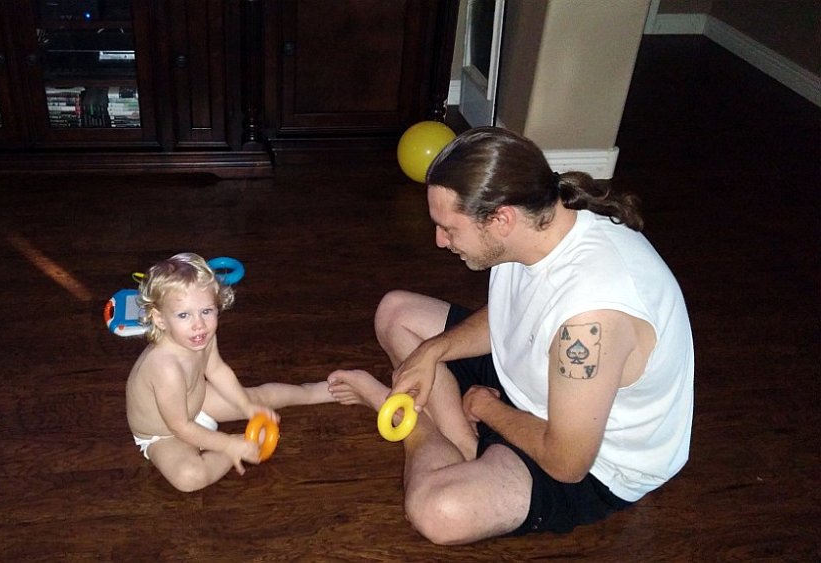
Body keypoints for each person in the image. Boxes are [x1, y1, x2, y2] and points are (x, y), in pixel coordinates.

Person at [328, 127, 694, 543]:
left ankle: (418, 430)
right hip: (530, 381)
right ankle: (466, 448)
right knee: (395, 312)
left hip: (592, 459)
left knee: (439, 511)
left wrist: (484, 407)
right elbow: (518, 311)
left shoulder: (591, 319)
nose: (440, 241)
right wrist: (433, 351)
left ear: (501, 219)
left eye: (449, 228)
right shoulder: (537, 222)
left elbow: (567, 462)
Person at [126, 252, 334, 492]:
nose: (199, 324)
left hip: (198, 401)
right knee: (189, 477)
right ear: (160, 319)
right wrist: (227, 445)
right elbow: (180, 427)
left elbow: (216, 369)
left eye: (207, 311)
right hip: (165, 433)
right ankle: (240, 444)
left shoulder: (201, 337)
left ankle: (311, 393)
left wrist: (246, 406)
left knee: (257, 398)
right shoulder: (165, 367)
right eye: (184, 315)